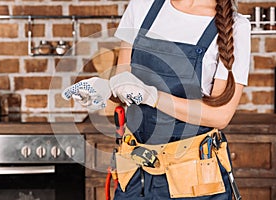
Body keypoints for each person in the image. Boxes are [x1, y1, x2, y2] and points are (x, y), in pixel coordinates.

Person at [62, 0, 251, 199]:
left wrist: (154, 96)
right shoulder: (142, 6)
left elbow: (219, 115)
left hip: (193, 178)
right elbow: (126, 84)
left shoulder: (235, 27)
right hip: (136, 172)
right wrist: (106, 89)